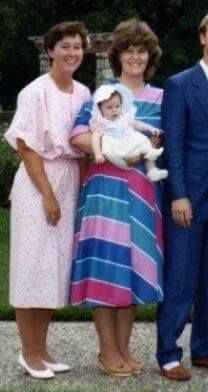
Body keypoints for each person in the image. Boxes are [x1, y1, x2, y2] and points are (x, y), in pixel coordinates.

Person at [69, 19, 164, 377]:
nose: (135, 56)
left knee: (134, 269)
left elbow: (159, 140)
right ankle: (107, 351)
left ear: (149, 56)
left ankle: (124, 349)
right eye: (129, 50)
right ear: (118, 55)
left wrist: (144, 149)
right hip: (105, 190)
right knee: (107, 265)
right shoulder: (103, 94)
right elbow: (78, 135)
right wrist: (111, 147)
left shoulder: (159, 97)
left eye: (142, 50)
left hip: (142, 192)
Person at [156, 7, 208, 381]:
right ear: (203, 38)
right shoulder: (180, 83)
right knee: (181, 278)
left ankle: (204, 348)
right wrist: (178, 194)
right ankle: (169, 353)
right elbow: (172, 143)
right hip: (188, 198)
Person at [5, 21, 90, 379]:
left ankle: (42, 350)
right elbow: (26, 147)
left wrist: (82, 189)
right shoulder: (34, 92)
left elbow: (84, 144)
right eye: (65, 46)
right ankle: (28, 353)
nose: (72, 53)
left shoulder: (84, 92)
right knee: (32, 267)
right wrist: (49, 196)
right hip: (40, 183)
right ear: (50, 51)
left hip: (69, 178)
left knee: (53, 268)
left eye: (77, 46)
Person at [89, 84, 168, 181]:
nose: (114, 110)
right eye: (109, 107)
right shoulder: (103, 123)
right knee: (139, 147)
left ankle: (152, 171)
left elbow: (137, 124)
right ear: (100, 109)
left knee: (144, 142)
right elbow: (95, 137)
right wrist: (97, 153)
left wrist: (150, 128)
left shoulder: (124, 118)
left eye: (117, 106)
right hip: (116, 147)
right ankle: (143, 157)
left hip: (130, 142)